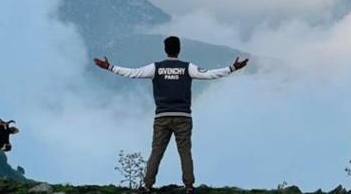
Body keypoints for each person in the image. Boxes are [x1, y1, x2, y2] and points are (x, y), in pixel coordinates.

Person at [94, 36, 249, 193]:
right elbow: (210, 74)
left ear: (165, 49)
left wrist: (110, 67)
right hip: (183, 116)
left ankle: (147, 185)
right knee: (185, 151)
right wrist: (232, 68)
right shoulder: (187, 68)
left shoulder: (156, 68)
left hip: (162, 116)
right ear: (179, 49)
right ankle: (189, 186)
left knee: (157, 151)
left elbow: (133, 73)